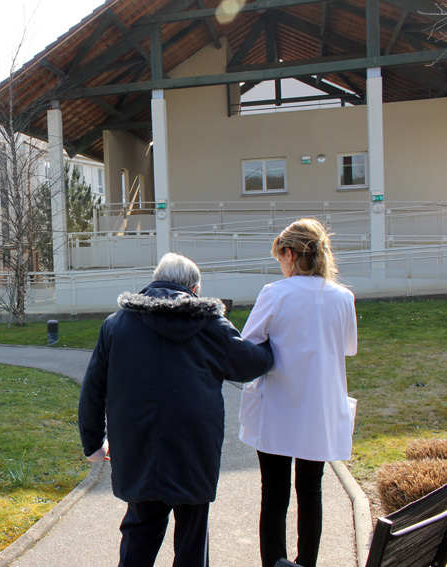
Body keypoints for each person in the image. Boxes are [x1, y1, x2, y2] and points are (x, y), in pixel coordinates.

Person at [78, 252, 275, 567]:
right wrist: (272, 340)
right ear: (194, 289)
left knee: (139, 534)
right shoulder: (212, 325)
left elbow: (93, 388)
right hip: (194, 446)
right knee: (192, 538)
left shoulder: (116, 325)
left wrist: (93, 443)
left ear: (155, 281)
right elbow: (251, 364)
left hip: (138, 445)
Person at [238, 218, 358, 567]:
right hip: (319, 410)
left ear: (289, 254)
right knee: (311, 491)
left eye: (280, 257)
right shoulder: (343, 297)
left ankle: (274, 563)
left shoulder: (275, 293)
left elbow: (247, 344)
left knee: (274, 495)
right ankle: (307, 563)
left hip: (278, 407)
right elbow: (347, 347)